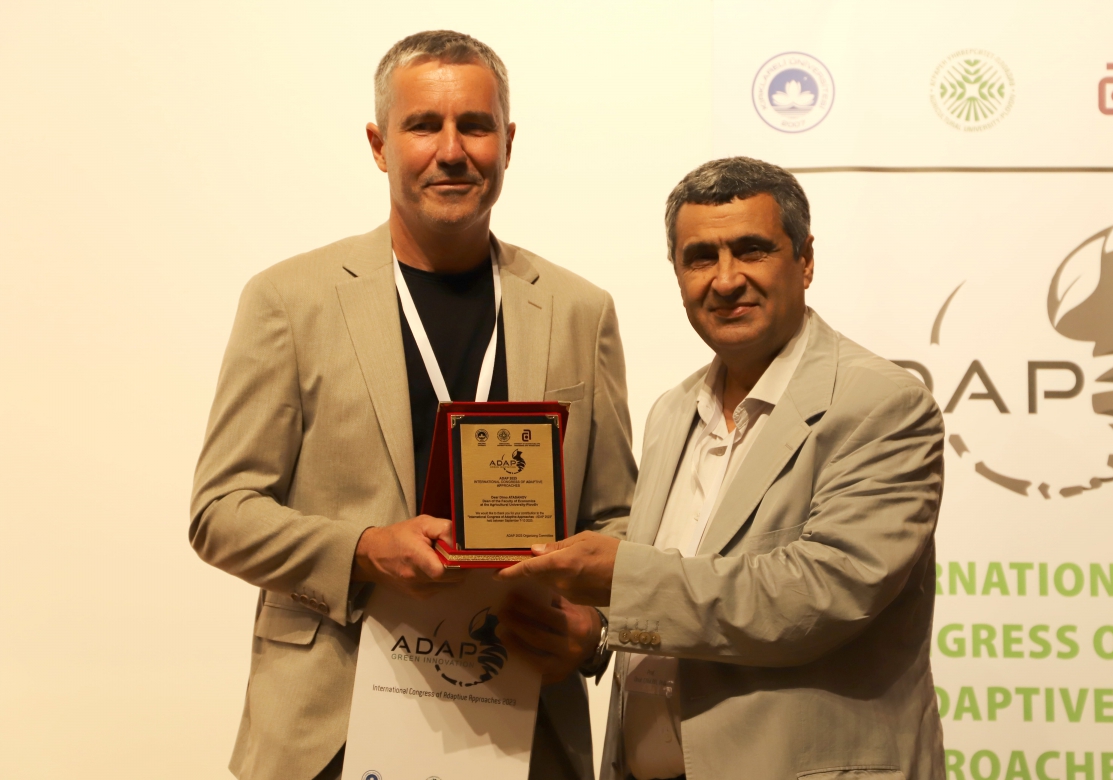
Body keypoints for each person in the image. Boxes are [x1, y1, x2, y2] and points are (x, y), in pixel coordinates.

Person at [190, 30, 636, 780]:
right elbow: (221, 512)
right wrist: (363, 549)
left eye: (475, 126)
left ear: (508, 142)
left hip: (524, 722)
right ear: (379, 145)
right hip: (328, 729)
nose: (451, 151)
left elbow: (619, 520)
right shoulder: (289, 301)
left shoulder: (579, 311)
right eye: (424, 125)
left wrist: (595, 630)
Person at [500, 157, 946, 780]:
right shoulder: (672, 411)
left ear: (805, 260)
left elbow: (823, 592)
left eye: (752, 250)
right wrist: (598, 633)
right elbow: (676, 602)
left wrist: (620, 578)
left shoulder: (881, 403)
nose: (727, 279)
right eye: (701, 258)